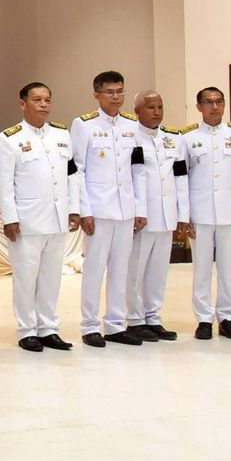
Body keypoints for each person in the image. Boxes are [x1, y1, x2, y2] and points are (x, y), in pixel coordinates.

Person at [0, 82, 82, 352]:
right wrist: (9, 218)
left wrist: (74, 208)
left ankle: (48, 328)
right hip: (27, 221)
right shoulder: (9, 138)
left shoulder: (61, 134)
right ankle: (27, 330)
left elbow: (71, 175)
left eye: (47, 99)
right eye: (36, 100)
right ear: (23, 104)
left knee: (51, 277)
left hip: (57, 218)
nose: (43, 104)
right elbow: (4, 183)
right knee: (25, 278)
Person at [70, 71, 147, 347]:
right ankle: (90, 325)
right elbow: (77, 170)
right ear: (97, 95)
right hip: (98, 210)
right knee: (94, 269)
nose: (116, 97)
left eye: (120, 91)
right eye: (110, 92)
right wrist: (84, 210)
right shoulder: (84, 125)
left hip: (125, 209)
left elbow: (138, 170)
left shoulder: (132, 125)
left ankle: (115, 324)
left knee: (121, 269)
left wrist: (140, 208)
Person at [179, 87, 231, 340]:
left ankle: (227, 318)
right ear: (198, 106)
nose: (214, 107)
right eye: (208, 102)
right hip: (199, 214)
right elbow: (181, 178)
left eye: (219, 102)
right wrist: (184, 214)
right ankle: (203, 319)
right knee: (201, 269)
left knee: (228, 269)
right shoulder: (187, 137)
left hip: (230, 213)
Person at [126, 90, 189, 341]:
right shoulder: (130, 136)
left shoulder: (174, 138)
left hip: (166, 214)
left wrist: (183, 214)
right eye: (151, 107)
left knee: (158, 271)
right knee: (135, 270)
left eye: (160, 107)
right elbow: (133, 177)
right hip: (142, 216)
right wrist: (137, 211)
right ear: (137, 111)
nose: (157, 112)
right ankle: (134, 319)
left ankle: (153, 317)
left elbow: (181, 177)